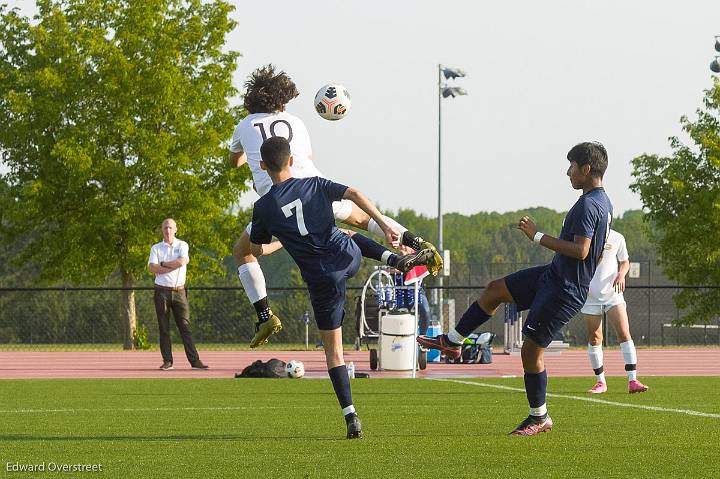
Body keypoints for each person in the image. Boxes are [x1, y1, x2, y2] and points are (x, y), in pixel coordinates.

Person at [228, 64, 442, 349]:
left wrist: (252, 157)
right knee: (362, 220)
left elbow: (235, 162)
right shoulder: (296, 122)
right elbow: (305, 157)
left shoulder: (244, 126)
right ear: (282, 101)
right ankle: (416, 243)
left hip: (279, 206)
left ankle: (265, 315)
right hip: (317, 193)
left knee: (243, 252)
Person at [418, 141, 612, 436]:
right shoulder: (602, 201)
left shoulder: (589, 204)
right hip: (553, 275)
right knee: (495, 289)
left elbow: (582, 251)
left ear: (586, 169)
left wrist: (537, 236)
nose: (568, 172)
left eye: (572, 166)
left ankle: (539, 417)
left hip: (565, 289)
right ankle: (454, 341)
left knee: (531, 352)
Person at [249, 136, 434, 439]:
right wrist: (386, 226)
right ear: (291, 160)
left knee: (334, 353)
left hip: (321, 281)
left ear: (262, 165)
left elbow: (256, 250)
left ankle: (351, 417)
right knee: (348, 236)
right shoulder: (314, 184)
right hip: (347, 258)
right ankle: (396, 261)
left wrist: (285, 240)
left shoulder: (263, 208)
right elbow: (355, 193)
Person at [582, 228, 649, 394]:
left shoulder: (617, 237)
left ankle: (633, 380)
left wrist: (622, 274)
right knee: (595, 338)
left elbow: (625, 261)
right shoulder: (584, 236)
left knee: (624, 334)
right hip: (589, 295)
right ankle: (600, 382)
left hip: (613, 294)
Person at [148, 218, 208, 371]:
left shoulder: (182, 245)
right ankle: (167, 361)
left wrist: (162, 264)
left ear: (176, 229)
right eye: (165, 228)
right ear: (162, 230)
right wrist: (169, 266)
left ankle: (195, 362)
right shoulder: (156, 248)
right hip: (161, 291)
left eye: (170, 227)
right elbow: (152, 267)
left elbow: (181, 262)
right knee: (164, 328)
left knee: (185, 327)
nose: (167, 230)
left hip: (179, 291)